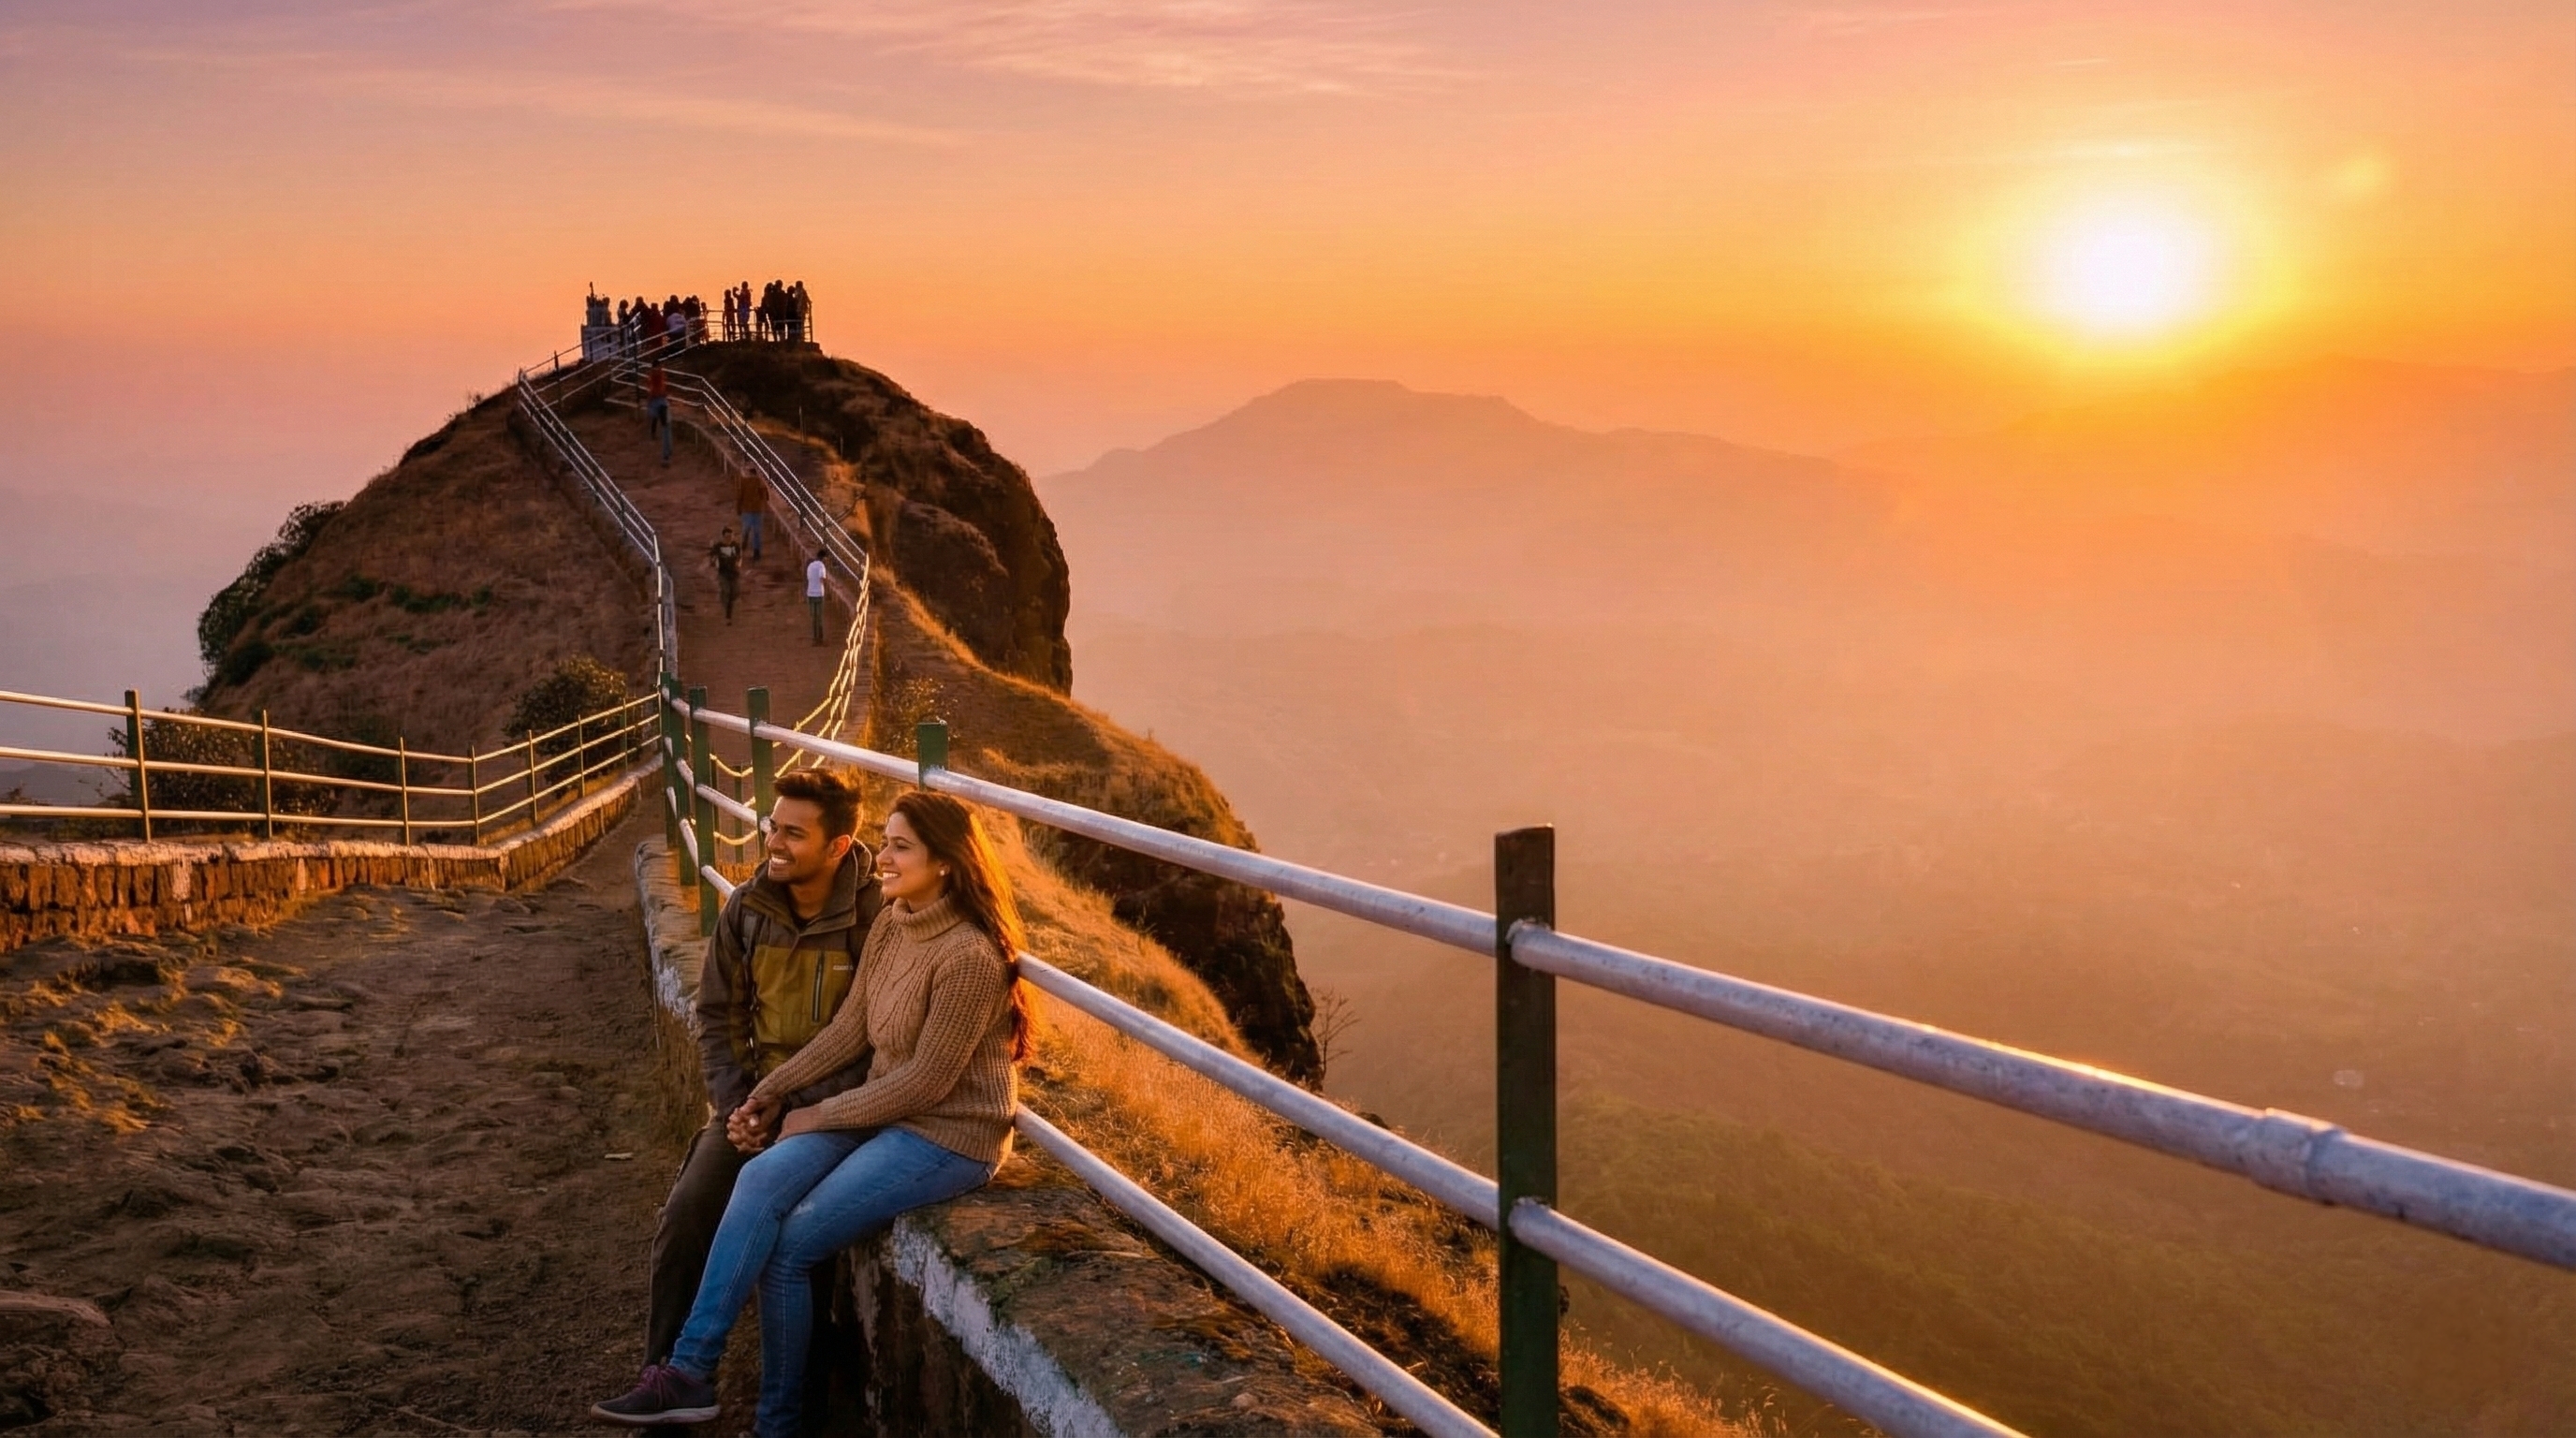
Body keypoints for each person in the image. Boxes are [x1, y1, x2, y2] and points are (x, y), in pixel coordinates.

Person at [591, 789, 1034, 1434]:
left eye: (900, 846)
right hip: (884, 1114)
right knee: (759, 1177)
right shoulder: (893, 921)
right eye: (886, 841)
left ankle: (780, 1424)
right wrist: (769, 1092)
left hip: (947, 1136)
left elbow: (923, 1084)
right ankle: (688, 1372)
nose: (881, 857)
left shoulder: (969, 957)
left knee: (792, 1247)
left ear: (946, 862)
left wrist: (813, 1116)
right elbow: (849, 1029)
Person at [619, 769, 884, 1411]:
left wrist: (799, 1109)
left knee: (801, 1238)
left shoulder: (877, 920)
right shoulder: (747, 907)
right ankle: (667, 1384)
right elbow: (717, 1014)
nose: (775, 844)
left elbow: (878, 1039)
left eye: (794, 834)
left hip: (830, 1112)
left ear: (838, 846)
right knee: (686, 1217)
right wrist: (737, 1104)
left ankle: (804, 1404)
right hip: (750, 1105)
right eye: (773, 828)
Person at [709, 527, 743, 623]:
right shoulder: (718, 547)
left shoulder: (736, 546)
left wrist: (738, 564)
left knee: (735, 592)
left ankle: (727, 604)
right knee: (727, 591)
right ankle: (728, 615)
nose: (729, 538)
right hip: (723, 573)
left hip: (734, 573)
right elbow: (712, 558)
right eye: (727, 536)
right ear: (723, 537)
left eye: (731, 536)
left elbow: (739, 557)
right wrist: (713, 560)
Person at [736, 468, 767, 562]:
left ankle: (744, 544)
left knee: (746, 529)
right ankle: (756, 552)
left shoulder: (744, 482)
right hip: (757, 510)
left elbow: (740, 496)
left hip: (747, 510)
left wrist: (738, 509)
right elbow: (764, 496)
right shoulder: (760, 482)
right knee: (756, 532)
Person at [645, 361, 673, 465]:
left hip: (656, 403)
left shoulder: (652, 376)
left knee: (665, 426)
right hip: (661, 403)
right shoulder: (659, 375)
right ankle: (666, 455)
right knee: (666, 428)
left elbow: (652, 391)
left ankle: (667, 452)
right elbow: (658, 390)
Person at [805, 554, 827, 645]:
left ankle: (815, 637)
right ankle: (820, 638)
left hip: (810, 593)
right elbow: (822, 578)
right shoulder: (821, 566)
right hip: (819, 594)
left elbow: (808, 578)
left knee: (814, 617)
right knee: (819, 617)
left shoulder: (810, 566)